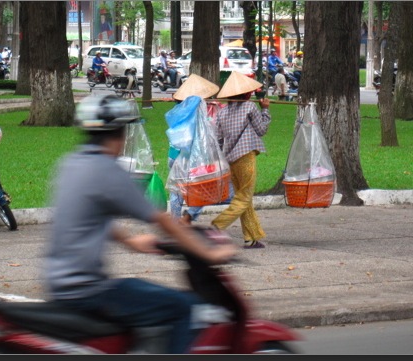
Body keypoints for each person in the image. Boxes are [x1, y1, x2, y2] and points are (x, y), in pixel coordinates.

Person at [43, 94, 236, 354]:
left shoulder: (71, 164)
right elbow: (163, 221)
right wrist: (210, 253)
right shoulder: (107, 170)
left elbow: (89, 217)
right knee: (182, 307)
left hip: (59, 285)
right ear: (119, 134)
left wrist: (130, 241)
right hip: (88, 291)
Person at [211, 71, 271, 249]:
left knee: (244, 197)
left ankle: (250, 238)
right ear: (246, 93)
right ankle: (218, 225)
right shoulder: (250, 107)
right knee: (244, 197)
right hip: (245, 156)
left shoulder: (221, 113)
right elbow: (261, 130)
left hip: (230, 158)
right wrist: (265, 109)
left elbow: (219, 139)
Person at [168, 74, 222, 225]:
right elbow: (206, 132)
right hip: (189, 158)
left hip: (173, 155)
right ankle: (189, 216)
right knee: (203, 187)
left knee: (176, 191)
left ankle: (175, 221)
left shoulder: (176, 112)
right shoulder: (197, 115)